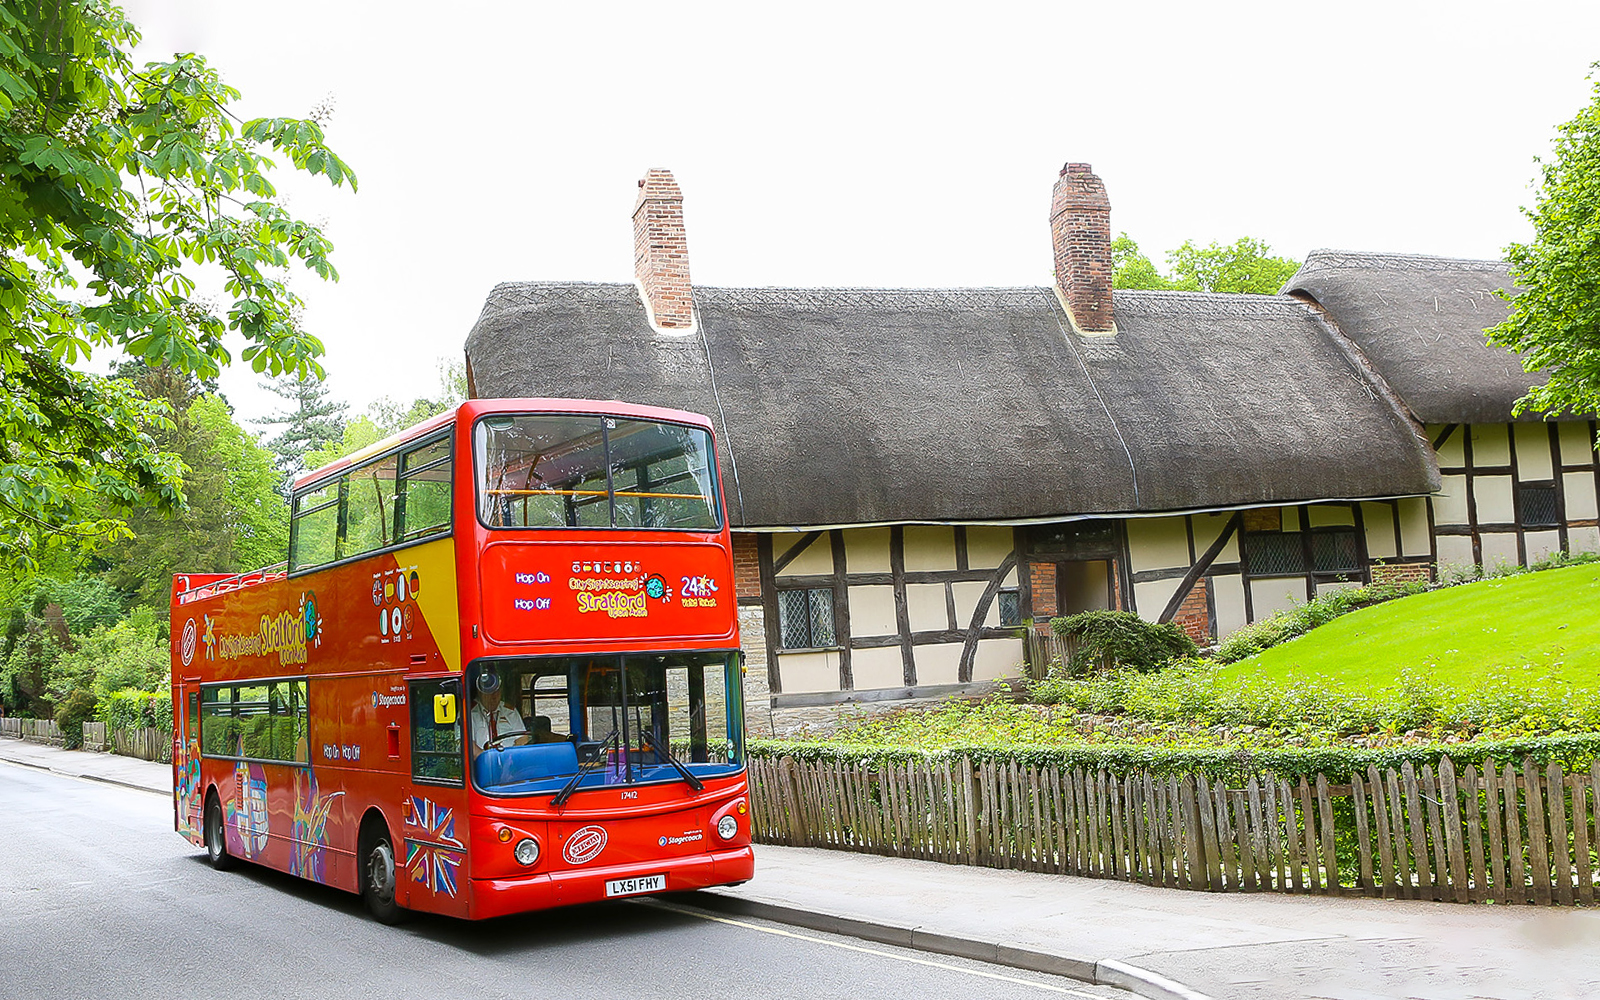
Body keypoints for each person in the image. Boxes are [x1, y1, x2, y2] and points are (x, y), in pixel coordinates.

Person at [470, 671, 528, 750]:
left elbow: (523, 739)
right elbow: (467, 746)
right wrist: (485, 760)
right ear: (480, 693)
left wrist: (510, 758)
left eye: (497, 691)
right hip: (482, 760)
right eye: (490, 693)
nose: (494, 696)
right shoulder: (469, 714)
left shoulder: (509, 711)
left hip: (510, 759)